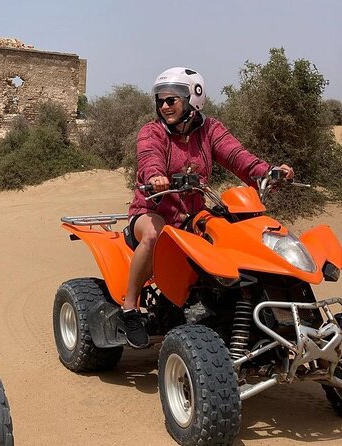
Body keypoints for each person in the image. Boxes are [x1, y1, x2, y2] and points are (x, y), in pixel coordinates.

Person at [122, 66, 294, 348]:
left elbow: (239, 157)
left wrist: (268, 172)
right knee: (155, 236)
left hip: (192, 215)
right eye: (160, 100)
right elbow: (148, 157)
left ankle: (233, 307)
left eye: (172, 99)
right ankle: (129, 308)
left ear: (192, 99)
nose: (164, 106)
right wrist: (155, 177)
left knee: (231, 233)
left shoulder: (210, 129)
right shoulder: (151, 132)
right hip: (152, 211)